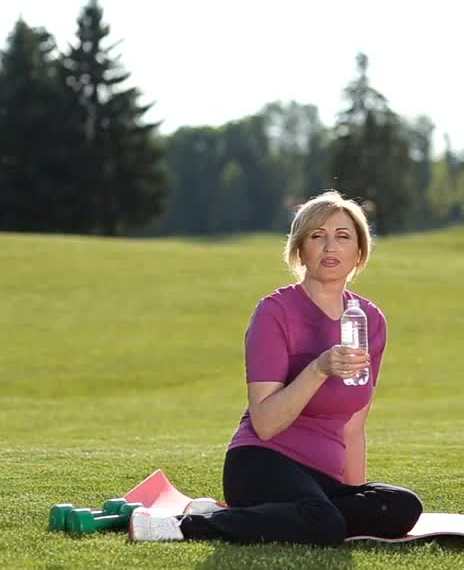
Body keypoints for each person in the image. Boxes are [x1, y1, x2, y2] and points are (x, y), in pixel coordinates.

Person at [129, 191, 422, 544]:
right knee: (321, 521)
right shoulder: (275, 312)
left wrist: (355, 497)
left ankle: (300, 516)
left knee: (402, 507)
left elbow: (353, 428)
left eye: (343, 237)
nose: (330, 247)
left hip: (322, 481)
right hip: (262, 462)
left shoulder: (369, 320)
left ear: (359, 252)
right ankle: (181, 526)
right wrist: (318, 368)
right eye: (318, 236)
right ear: (300, 250)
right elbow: (265, 423)